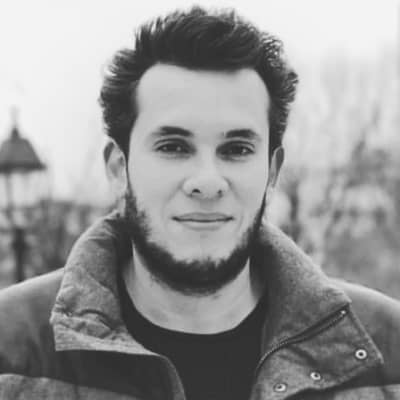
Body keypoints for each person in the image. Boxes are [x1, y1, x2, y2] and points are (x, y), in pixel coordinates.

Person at [1, 6, 400, 400]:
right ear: (119, 167)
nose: (207, 183)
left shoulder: (387, 350)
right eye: (173, 147)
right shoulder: (12, 349)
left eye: (237, 149)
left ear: (272, 170)